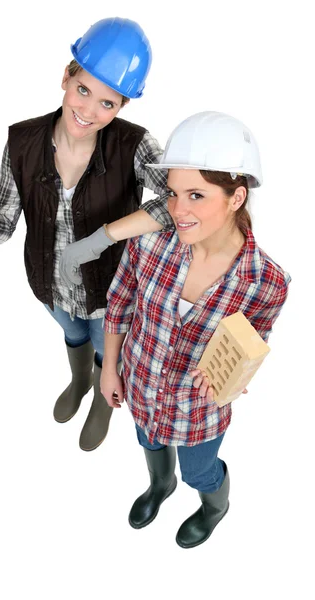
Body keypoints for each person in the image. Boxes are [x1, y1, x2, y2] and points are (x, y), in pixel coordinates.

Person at [0, 17, 172, 452]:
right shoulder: (21, 142)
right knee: (72, 333)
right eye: (83, 90)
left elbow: (182, 203)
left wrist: (106, 235)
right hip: (49, 284)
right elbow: (0, 228)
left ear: (122, 107)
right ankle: (78, 379)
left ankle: (104, 397)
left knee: (108, 346)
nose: (88, 111)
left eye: (108, 103)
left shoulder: (136, 146)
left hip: (112, 291)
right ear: (66, 77)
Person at [100, 111, 291, 548]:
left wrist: (237, 376)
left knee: (199, 471)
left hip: (198, 411)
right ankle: (159, 486)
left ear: (236, 196)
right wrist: (109, 368)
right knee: (147, 440)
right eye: (172, 193)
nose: (176, 210)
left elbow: (255, 341)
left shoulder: (266, 282)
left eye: (196, 195)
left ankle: (214, 507)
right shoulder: (148, 243)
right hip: (140, 383)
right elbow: (120, 304)